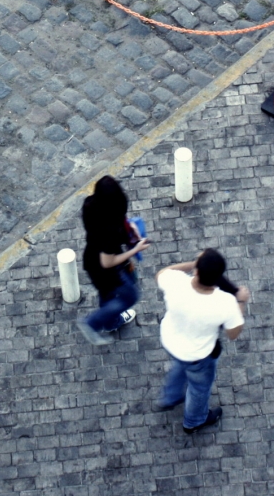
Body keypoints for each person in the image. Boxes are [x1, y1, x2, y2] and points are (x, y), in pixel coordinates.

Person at [156, 249, 249, 433]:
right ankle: (194, 420)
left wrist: (193, 265)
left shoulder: (175, 282)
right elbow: (233, 333)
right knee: (199, 388)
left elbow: (162, 273)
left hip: (170, 341)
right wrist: (242, 302)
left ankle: (170, 396)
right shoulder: (225, 303)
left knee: (179, 365)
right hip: (198, 355)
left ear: (197, 271)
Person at [76, 176, 150, 346]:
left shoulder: (90, 205)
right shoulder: (108, 232)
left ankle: (111, 322)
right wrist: (135, 250)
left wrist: (128, 227)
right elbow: (107, 262)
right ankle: (93, 322)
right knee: (131, 296)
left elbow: (117, 221)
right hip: (105, 269)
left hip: (91, 259)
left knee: (107, 294)